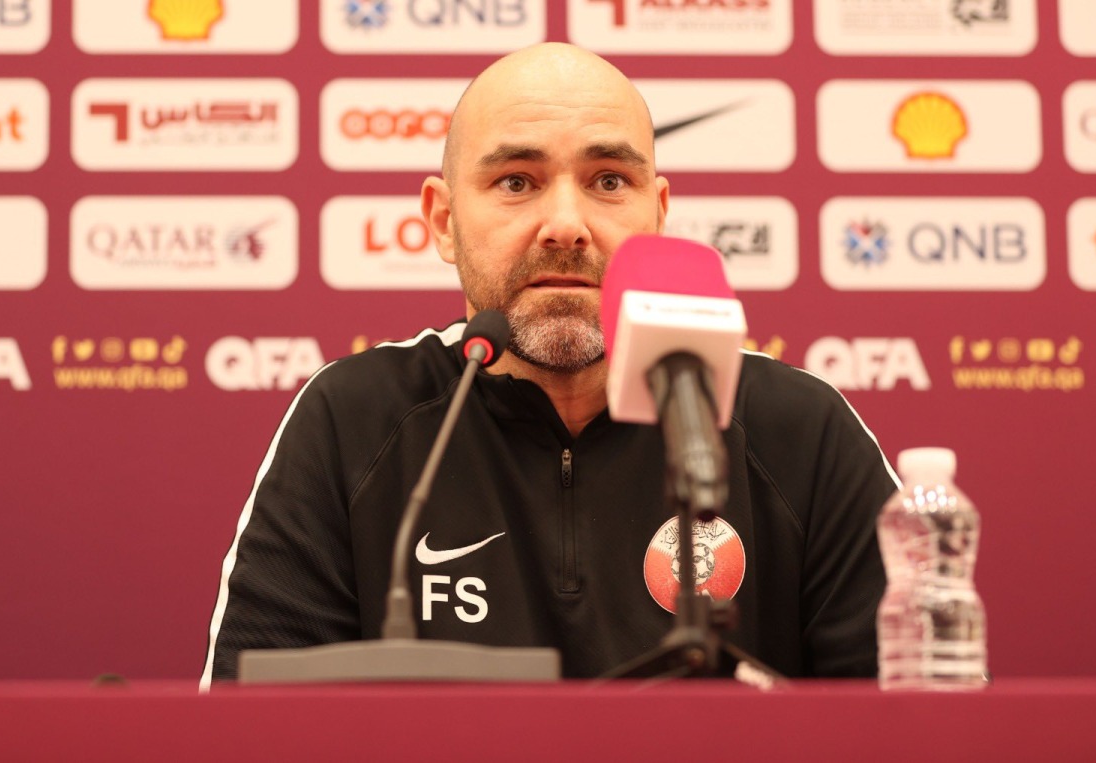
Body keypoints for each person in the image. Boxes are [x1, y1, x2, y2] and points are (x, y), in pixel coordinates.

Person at [200, 43, 898, 688]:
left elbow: (918, 724)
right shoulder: (354, 421)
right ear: (443, 221)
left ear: (656, 213)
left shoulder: (798, 429)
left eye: (607, 180)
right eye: (516, 182)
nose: (566, 223)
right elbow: (249, 731)